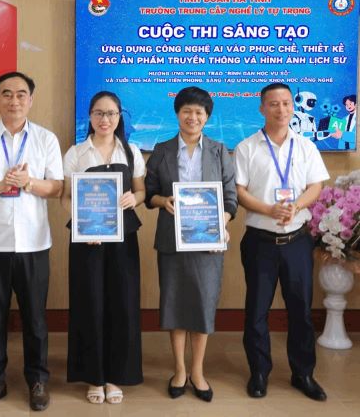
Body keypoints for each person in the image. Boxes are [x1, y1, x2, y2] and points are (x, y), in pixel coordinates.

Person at [0, 71, 63, 411]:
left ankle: (38, 380)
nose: (14, 100)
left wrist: (28, 182)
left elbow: (57, 187)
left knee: (35, 318)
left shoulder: (46, 139)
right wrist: (0, 186)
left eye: (21, 94)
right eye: (6, 94)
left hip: (34, 243)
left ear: (30, 100)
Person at [234, 83, 329, 401]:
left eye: (287, 103)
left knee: (301, 311)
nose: (281, 109)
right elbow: (239, 191)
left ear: (293, 107)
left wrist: (296, 206)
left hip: (297, 241)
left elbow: (315, 185)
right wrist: (269, 209)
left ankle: (303, 373)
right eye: (274, 104)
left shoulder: (306, 146)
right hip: (260, 242)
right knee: (256, 311)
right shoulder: (247, 147)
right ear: (262, 108)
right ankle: (259, 373)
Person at [145, 87, 237, 402]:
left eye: (199, 112)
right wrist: (163, 200)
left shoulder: (219, 151)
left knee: (202, 304)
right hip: (172, 239)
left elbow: (230, 198)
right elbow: (149, 194)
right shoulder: (162, 150)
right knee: (174, 303)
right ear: (177, 114)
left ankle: (197, 371)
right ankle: (179, 370)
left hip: (208, 241)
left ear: (207, 117)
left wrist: (221, 223)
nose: (192, 117)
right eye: (187, 111)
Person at [61, 91, 145, 405]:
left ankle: (115, 376)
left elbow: (141, 191)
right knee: (90, 302)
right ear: (90, 116)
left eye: (111, 113)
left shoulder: (131, 151)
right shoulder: (76, 153)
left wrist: (134, 198)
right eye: (98, 113)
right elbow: (65, 197)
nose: (104, 119)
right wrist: (84, 224)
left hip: (124, 238)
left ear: (119, 117)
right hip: (87, 241)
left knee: (122, 303)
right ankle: (94, 376)